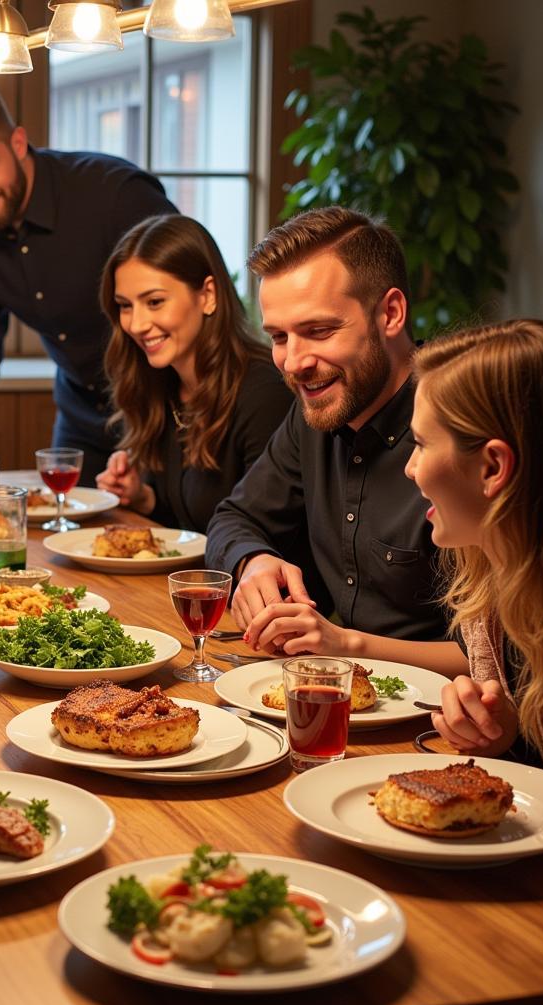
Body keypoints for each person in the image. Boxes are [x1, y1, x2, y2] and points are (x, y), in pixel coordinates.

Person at [205, 206, 467, 677]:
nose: (293, 362)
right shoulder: (319, 406)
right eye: (279, 336)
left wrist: (345, 644)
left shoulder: (460, 424)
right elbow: (235, 516)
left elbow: (503, 658)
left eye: (319, 331)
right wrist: (254, 563)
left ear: (390, 313)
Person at [0, 81, 176, 498]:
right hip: (81, 417)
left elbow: (183, 304)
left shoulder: (115, 194)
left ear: (18, 142)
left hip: (162, 411)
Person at [406, 319, 543, 782]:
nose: (410, 469)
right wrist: (508, 735)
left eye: (422, 445)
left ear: (492, 467)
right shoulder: (492, 584)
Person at [94, 214, 292, 534]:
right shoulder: (163, 385)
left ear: (208, 295)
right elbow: (191, 527)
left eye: (155, 301)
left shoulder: (264, 393)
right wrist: (144, 498)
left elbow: (268, 536)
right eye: (125, 305)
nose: (136, 324)